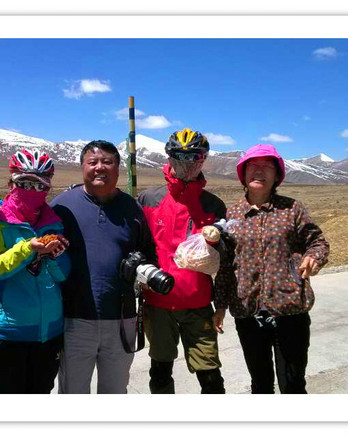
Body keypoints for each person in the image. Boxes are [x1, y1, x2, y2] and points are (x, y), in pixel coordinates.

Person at [213, 144, 330, 394]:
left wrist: (313, 257)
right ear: (243, 174)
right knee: (260, 384)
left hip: (290, 311)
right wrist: (220, 305)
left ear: (277, 176)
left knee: (293, 384)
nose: (259, 171)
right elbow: (225, 264)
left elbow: (317, 242)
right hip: (247, 312)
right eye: (253, 166)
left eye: (267, 167)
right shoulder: (232, 214)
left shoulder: (292, 209)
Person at [50, 140, 157, 394]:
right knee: (73, 392)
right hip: (74, 318)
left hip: (122, 317)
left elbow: (148, 252)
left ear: (118, 168)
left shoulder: (132, 208)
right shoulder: (62, 206)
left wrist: (142, 271)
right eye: (93, 162)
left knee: (115, 390)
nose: (100, 167)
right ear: (82, 167)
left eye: (107, 162)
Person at [137, 128, 229, 394]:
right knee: (160, 371)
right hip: (158, 303)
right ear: (169, 157)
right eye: (179, 156)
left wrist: (221, 304)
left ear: (204, 159)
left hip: (198, 304)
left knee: (210, 376)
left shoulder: (213, 205)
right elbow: (136, 247)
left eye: (195, 157)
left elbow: (225, 259)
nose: (187, 164)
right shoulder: (148, 199)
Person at [0, 148, 70, 394]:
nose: (32, 191)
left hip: (49, 331)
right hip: (8, 332)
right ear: (11, 183)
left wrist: (54, 257)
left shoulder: (53, 221)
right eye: (25, 183)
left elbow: (63, 275)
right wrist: (28, 248)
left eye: (40, 185)